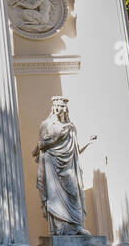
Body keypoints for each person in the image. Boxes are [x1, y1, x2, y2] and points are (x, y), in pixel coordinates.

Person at [33, 96, 95, 236]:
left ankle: (77, 226)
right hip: (52, 164)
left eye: (64, 106)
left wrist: (88, 142)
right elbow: (41, 145)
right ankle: (60, 229)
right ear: (54, 108)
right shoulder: (46, 125)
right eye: (59, 106)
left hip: (68, 165)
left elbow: (75, 150)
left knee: (74, 193)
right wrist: (55, 137)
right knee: (54, 195)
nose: (62, 109)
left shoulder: (71, 127)